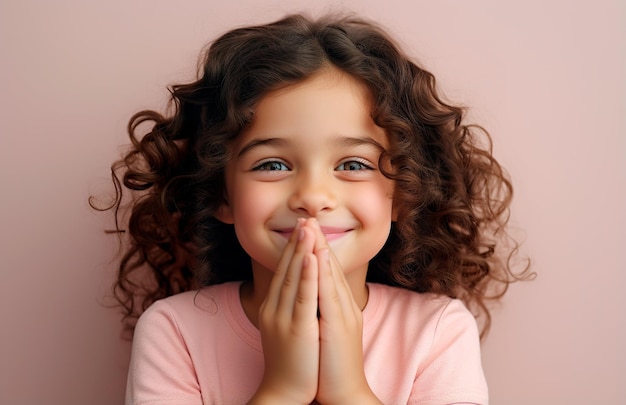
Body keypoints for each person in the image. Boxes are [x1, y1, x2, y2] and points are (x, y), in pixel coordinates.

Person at [99, 12, 528, 405]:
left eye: (353, 164)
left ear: (403, 195)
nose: (312, 195)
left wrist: (349, 391)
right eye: (272, 164)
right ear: (221, 196)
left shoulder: (437, 332)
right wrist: (282, 389)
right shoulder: (175, 332)